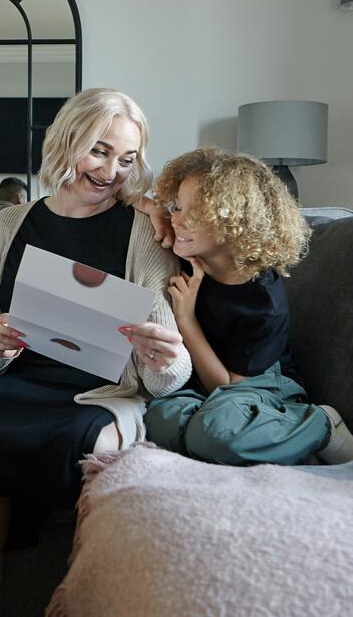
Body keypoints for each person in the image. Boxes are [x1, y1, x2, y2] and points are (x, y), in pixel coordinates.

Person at [0, 88, 192, 617]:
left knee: (94, 445)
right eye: (99, 151)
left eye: (126, 159)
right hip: (22, 383)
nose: (110, 171)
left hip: (102, 392)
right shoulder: (7, 225)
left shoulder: (143, 231)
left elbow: (167, 371)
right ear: (66, 141)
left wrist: (165, 360)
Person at [144, 147, 353, 465]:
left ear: (233, 221)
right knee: (159, 417)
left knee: (215, 431)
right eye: (176, 207)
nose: (178, 220)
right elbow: (126, 197)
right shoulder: (186, 248)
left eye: (193, 211)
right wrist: (156, 209)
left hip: (261, 384)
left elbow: (225, 385)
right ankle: (240, 439)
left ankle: (320, 425)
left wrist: (185, 318)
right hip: (206, 386)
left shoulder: (264, 301)